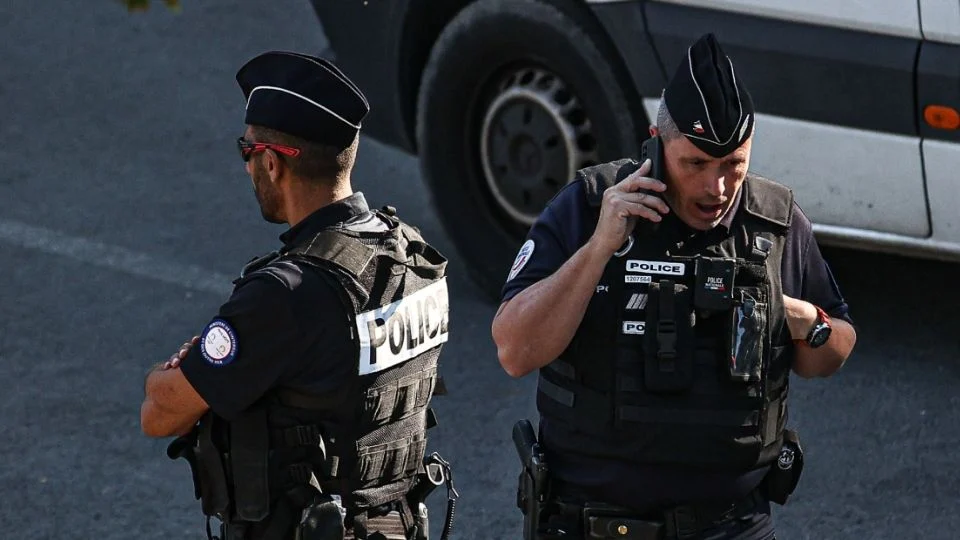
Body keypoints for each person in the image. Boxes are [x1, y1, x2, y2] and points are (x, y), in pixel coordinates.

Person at [492, 33, 857, 540]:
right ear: (657, 143)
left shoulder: (773, 224)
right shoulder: (590, 206)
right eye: (696, 164)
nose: (718, 188)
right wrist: (600, 247)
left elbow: (834, 350)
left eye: (734, 164)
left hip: (732, 527)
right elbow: (514, 350)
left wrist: (800, 320)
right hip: (596, 525)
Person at [140, 51, 457, 540]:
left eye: (246, 152)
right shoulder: (412, 257)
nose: (247, 168)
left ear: (271, 162)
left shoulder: (286, 295)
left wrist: (180, 366)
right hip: (398, 527)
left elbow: (160, 413)